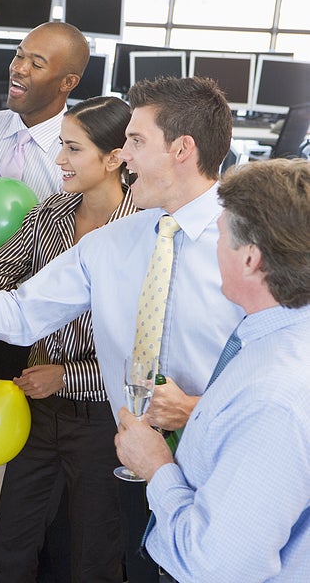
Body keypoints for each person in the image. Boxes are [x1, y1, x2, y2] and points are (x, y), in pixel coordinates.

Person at [0, 76, 246, 583]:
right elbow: (21, 313)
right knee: (110, 562)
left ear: (182, 149)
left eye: (137, 143)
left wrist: (199, 412)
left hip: (222, 466)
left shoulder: (250, 243)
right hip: (132, 448)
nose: (127, 156)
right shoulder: (114, 241)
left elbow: (284, 362)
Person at [0, 96, 136, 581]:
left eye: (72, 150)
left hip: (106, 418)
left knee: (88, 555)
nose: (58, 161)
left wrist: (69, 376)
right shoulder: (51, 215)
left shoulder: (147, 228)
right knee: (13, 543)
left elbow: (149, 350)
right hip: (41, 412)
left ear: (114, 157)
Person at [116, 158, 310, 582]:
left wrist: (157, 469)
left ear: (251, 260)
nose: (213, 247)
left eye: (219, 237)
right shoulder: (272, 341)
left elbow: (217, 566)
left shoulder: (273, 397)